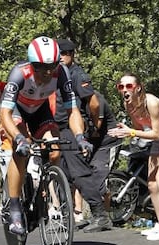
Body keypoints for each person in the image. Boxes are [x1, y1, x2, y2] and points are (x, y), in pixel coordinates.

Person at [0, 36, 90, 235]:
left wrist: (80, 137)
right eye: (41, 67)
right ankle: (14, 207)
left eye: (52, 66)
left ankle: (47, 193)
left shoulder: (62, 72)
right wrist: (19, 138)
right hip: (17, 111)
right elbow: (4, 113)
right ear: (32, 64)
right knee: (21, 151)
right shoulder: (19, 73)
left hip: (40, 111)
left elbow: (72, 110)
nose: (48, 72)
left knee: (55, 151)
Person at [108, 72, 159, 241]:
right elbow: (141, 128)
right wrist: (127, 129)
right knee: (152, 184)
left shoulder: (150, 102)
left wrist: (130, 132)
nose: (125, 90)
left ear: (138, 88)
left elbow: (157, 134)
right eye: (121, 87)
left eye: (129, 86)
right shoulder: (128, 104)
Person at [56, 38, 120, 232]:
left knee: (80, 172)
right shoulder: (55, 74)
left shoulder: (76, 74)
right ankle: (68, 216)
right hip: (57, 128)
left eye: (64, 54)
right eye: (57, 54)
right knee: (65, 175)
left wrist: (93, 125)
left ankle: (100, 215)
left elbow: (93, 102)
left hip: (72, 128)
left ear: (71, 55)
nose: (59, 58)